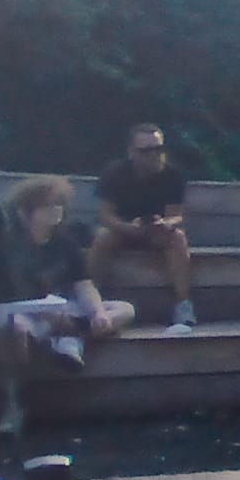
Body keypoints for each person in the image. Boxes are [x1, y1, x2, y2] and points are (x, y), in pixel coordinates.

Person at [0, 175, 137, 434]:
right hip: (18, 313)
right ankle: (14, 402)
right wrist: (46, 313)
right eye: (48, 205)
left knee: (124, 309)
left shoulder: (66, 244)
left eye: (59, 204)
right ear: (26, 212)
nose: (56, 210)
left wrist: (98, 313)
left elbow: (84, 285)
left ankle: (67, 336)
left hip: (60, 311)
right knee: (13, 327)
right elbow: (1, 293)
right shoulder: (7, 245)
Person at [87, 122, 195, 331]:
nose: (154, 155)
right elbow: (105, 215)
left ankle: (183, 304)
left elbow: (176, 215)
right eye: (146, 151)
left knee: (178, 238)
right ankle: (91, 299)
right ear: (131, 152)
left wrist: (164, 224)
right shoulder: (114, 173)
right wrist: (128, 227)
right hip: (121, 230)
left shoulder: (173, 175)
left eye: (158, 149)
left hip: (155, 232)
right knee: (103, 237)